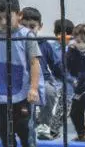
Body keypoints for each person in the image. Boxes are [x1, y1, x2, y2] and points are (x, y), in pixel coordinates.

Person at [0, 0, 41, 147]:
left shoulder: (27, 36)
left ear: (19, 15)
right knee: (3, 128)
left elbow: (34, 62)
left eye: (6, 18)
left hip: (22, 92)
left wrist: (33, 88)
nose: (2, 22)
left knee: (23, 127)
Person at [22, 7, 63, 140]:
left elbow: (55, 66)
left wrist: (66, 76)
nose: (28, 30)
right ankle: (24, 125)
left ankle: (44, 124)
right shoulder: (16, 43)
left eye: (32, 26)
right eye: (24, 26)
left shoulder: (45, 45)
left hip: (43, 80)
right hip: (22, 81)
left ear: (40, 26)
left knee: (50, 91)